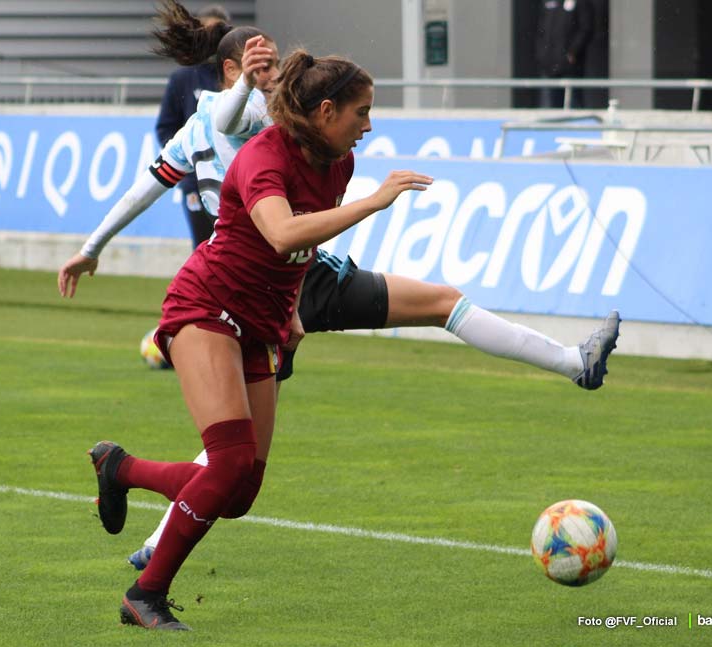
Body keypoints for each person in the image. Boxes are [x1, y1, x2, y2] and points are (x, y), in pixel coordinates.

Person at [58, 5, 620, 576]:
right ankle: (574, 363)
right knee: (433, 309)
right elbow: (228, 136)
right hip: (249, 279)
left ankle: (135, 496)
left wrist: (92, 247)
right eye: (262, 64)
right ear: (231, 70)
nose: (274, 75)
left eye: (276, 64)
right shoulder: (248, 121)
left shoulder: (296, 137)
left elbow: (150, 186)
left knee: (236, 461)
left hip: (285, 281)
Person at [83, 39, 433, 630]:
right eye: (362, 112)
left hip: (261, 319)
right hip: (206, 305)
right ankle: (144, 595)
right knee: (228, 463)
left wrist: (291, 311)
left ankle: (121, 469)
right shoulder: (262, 155)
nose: (369, 126)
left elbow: (301, 247)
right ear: (326, 112)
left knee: (240, 492)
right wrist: (375, 203)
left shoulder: (337, 161)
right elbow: (278, 232)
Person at [153, 3, 231, 248]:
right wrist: (187, 159)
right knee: (204, 246)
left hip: (233, 181)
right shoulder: (183, 79)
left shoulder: (234, 75)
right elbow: (166, 127)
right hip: (195, 183)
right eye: (207, 33)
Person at [535, 0, 594, 109]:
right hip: (549, 64)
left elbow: (586, 29)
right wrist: (542, 54)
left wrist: (573, 52)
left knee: (573, 101)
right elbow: (540, 30)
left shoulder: (580, 3)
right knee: (551, 104)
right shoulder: (549, 3)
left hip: (570, 66)